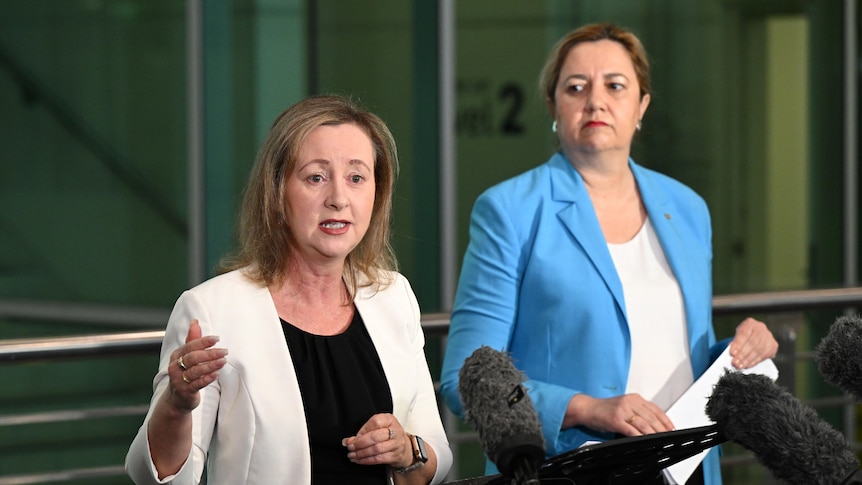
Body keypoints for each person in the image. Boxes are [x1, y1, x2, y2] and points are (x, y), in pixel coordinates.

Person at [439, 23, 778, 485]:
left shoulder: (687, 208)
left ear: (641, 106)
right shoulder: (510, 210)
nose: (595, 100)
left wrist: (738, 351)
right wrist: (588, 408)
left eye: (615, 86)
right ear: (553, 107)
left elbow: (676, 354)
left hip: (686, 466)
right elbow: (463, 376)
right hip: (573, 468)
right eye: (576, 87)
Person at [126, 95, 452, 485]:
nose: (338, 199)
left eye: (357, 177)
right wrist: (177, 405)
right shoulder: (212, 309)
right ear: (277, 195)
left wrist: (406, 451)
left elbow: (436, 458)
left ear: (376, 195)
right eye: (316, 177)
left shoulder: (393, 296)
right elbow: (157, 477)